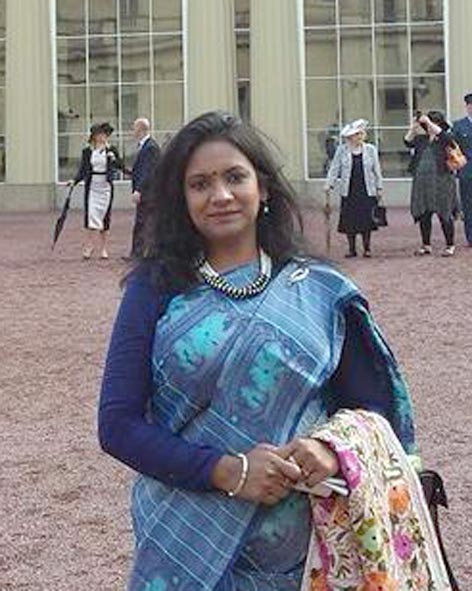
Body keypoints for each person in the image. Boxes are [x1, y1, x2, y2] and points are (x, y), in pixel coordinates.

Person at [99, 111, 419, 591]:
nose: (220, 195)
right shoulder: (154, 288)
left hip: (304, 559)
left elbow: (373, 407)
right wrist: (229, 471)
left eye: (235, 177)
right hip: (183, 545)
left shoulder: (319, 290)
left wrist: (328, 450)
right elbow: (117, 425)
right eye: (200, 184)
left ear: (262, 188)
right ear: (182, 199)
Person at [325, 118, 383, 258]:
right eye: (357, 134)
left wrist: (379, 187)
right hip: (349, 190)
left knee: (366, 219)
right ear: (350, 137)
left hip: (366, 190)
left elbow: (377, 170)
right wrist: (329, 184)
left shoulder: (371, 150)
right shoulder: (342, 150)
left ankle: (367, 248)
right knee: (350, 220)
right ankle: (352, 249)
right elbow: (335, 168)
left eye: (362, 133)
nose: (360, 137)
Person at [405, 111, 457, 257]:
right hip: (422, 182)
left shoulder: (445, 138)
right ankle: (426, 245)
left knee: (444, 213)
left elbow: (448, 139)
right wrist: (413, 127)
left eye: (433, 123)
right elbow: (407, 142)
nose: (428, 126)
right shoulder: (421, 139)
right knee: (424, 213)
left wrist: (428, 122)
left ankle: (450, 245)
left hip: (442, 182)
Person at [69, 122, 123, 260]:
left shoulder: (111, 150)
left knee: (105, 217)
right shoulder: (87, 151)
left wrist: (113, 158)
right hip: (93, 186)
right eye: (99, 134)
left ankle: (103, 248)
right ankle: (89, 246)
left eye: (104, 134)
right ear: (94, 136)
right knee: (91, 216)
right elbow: (83, 169)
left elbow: (120, 166)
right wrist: (75, 180)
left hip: (105, 186)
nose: (102, 137)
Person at [129, 117, 161, 257]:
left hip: (149, 192)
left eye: (134, 128)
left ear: (141, 129)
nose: (132, 131)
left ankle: (142, 252)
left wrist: (139, 190)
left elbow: (148, 171)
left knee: (145, 222)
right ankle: (138, 251)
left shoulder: (150, 148)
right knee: (142, 221)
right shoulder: (144, 146)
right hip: (146, 192)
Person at [452, 92, 472, 246]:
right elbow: (453, 147)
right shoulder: (459, 125)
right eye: (470, 105)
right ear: (467, 107)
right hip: (467, 170)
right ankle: (471, 236)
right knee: (468, 204)